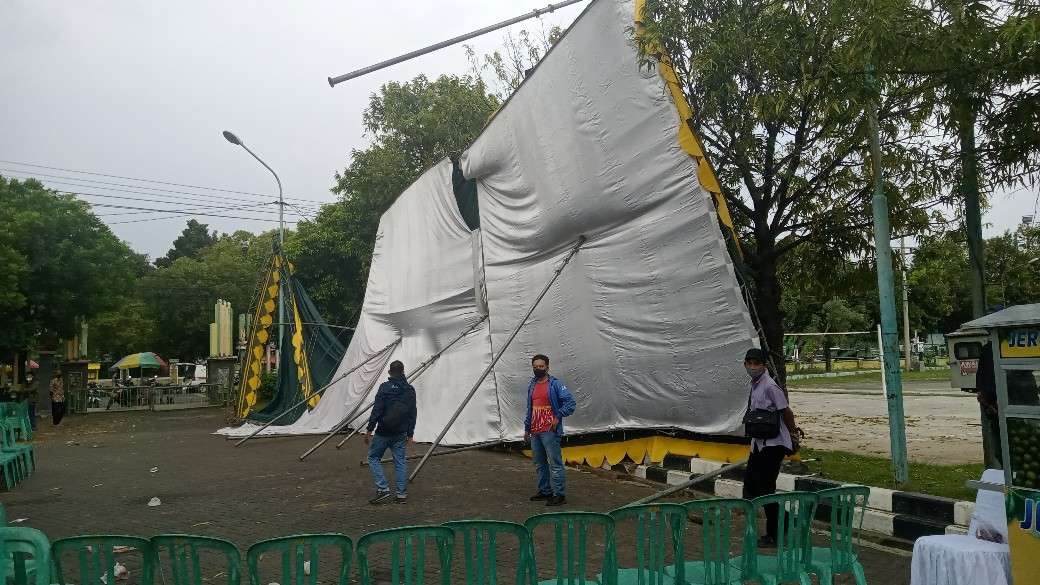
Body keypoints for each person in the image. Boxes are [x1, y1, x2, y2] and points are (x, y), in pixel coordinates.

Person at [741, 347, 804, 547]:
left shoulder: (769, 385)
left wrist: (793, 433)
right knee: (751, 487)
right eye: (749, 363)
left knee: (765, 489)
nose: (752, 367)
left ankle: (774, 534)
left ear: (764, 365)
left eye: (756, 363)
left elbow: (786, 411)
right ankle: (785, 519)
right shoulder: (754, 384)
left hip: (773, 444)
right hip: (758, 444)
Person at [524, 354, 576, 506]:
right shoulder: (532, 385)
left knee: (554, 463)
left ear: (547, 367)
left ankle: (559, 494)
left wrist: (558, 415)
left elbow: (570, 403)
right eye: (535, 367)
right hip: (535, 430)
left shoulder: (555, 384)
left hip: (549, 430)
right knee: (539, 463)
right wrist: (527, 428)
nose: (538, 369)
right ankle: (545, 491)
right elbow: (530, 408)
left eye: (541, 366)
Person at [364, 360, 417, 505]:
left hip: (383, 431)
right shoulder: (410, 390)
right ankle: (401, 494)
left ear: (390, 372)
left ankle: (383, 488)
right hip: (400, 432)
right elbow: (413, 413)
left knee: (373, 458)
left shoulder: (384, 388)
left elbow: (377, 410)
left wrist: (369, 430)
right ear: (403, 371)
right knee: (400, 461)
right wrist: (410, 434)